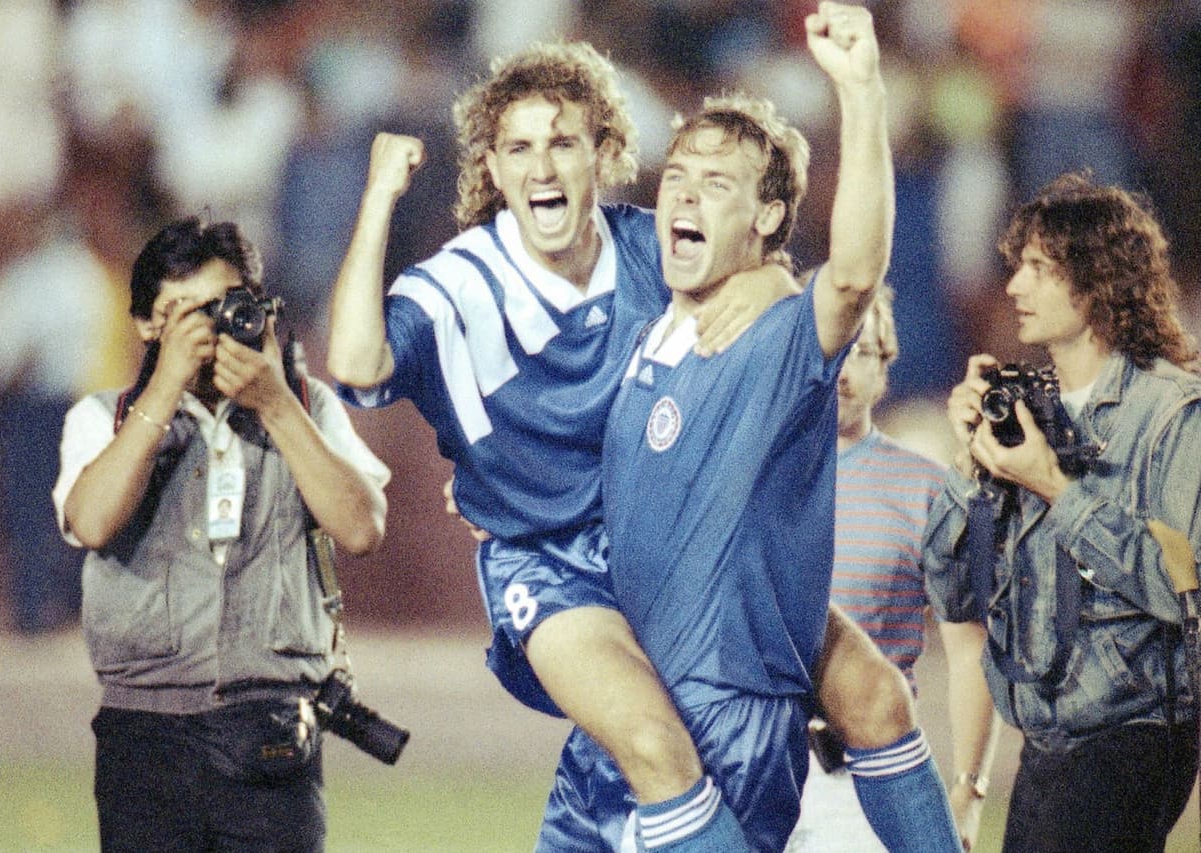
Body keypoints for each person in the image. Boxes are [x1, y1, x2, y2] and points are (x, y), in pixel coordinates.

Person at [330, 7, 959, 849]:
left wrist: (780, 267)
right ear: (490, 165)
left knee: (874, 692)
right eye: (519, 148)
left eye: (563, 142)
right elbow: (359, 363)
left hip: (652, 546)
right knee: (656, 745)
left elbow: (816, 285)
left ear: (604, 153)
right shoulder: (467, 281)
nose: (543, 165)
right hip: (549, 561)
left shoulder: (652, 253)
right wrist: (377, 200)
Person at [543, 6, 964, 850]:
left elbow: (852, 273)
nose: (687, 196)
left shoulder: (778, 334)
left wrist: (862, 91)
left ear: (768, 221)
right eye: (678, 178)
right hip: (617, 723)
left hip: (723, 726)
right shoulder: (642, 321)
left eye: (719, 184)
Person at [53, 217, 390, 852]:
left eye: (219, 306)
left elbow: (361, 528)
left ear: (257, 308)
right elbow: (93, 520)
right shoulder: (105, 417)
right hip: (144, 732)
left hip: (271, 729)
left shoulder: (307, 406)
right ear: (147, 325)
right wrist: (163, 389)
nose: (204, 330)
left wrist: (277, 404)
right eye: (180, 312)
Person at [922, 170, 1201, 853]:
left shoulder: (1173, 414)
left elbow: (1180, 588)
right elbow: (953, 593)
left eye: (1040, 268)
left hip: (1131, 734)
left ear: (1100, 280)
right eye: (1018, 266)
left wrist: (1058, 489)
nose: (1014, 286)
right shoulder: (1027, 408)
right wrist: (966, 468)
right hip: (1047, 738)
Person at [786, 286, 1000, 853]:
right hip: (750, 771)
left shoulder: (926, 489)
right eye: (828, 345)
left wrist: (968, 791)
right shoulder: (742, 480)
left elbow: (970, 648)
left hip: (866, 785)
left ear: (886, 368)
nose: (840, 367)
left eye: (860, 350)